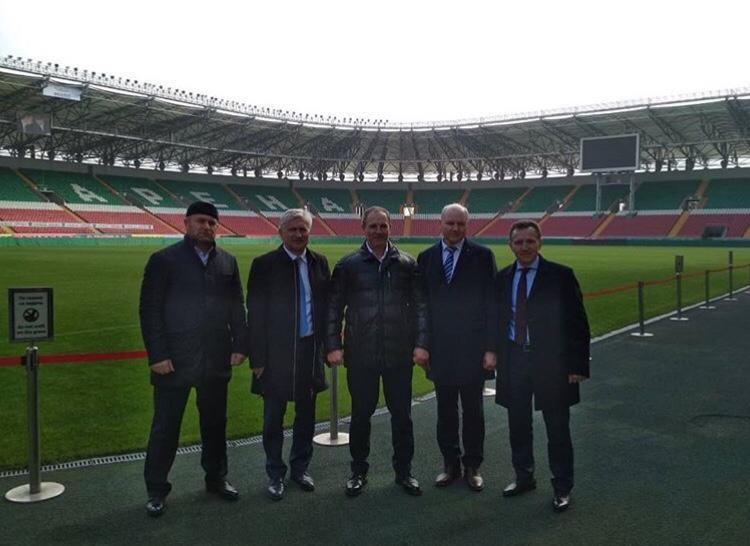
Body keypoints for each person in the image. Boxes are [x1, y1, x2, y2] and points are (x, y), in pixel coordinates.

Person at [139, 201, 247, 517]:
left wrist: (240, 344)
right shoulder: (164, 260)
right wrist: (158, 354)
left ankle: (216, 478)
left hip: (215, 357)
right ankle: (156, 489)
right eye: (201, 221)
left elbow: (236, 306)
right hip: (174, 359)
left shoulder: (227, 261)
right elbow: (149, 310)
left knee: (215, 424)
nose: (207, 227)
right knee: (165, 426)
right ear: (186, 222)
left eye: (212, 223)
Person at [326, 206, 429, 497]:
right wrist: (333, 345)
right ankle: (358, 471)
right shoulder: (348, 265)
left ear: (390, 227)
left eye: (383, 226)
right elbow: (334, 308)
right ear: (364, 228)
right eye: (373, 226)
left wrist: (421, 343)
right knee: (361, 415)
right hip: (361, 354)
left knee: (402, 416)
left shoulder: (406, 264)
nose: (378, 231)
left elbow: (421, 307)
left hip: (399, 353)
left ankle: (404, 472)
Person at [493, 220, 590, 512]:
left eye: (529, 241)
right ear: (510, 245)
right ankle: (524, 476)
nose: (524, 247)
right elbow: (496, 321)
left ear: (540, 242)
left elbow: (578, 323)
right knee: (518, 424)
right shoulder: (503, 278)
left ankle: (562, 486)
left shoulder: (561, 276)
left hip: (552, 362)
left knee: (557, 427)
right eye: (518, 242)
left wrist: (577, 365)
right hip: (515, 359)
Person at [246, 208, 330, 501]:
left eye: (302, 229)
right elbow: (255, 315)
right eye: (292, 229)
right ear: (280, 232)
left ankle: (300, 468)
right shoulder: (264, 265)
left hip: (309, 351)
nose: (298, 234)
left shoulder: (319, 263)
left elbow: (326, 309)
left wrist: (327, 347)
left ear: (309, 232)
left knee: (306, 416)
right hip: (275, 354)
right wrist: (257, 359)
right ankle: (275, 473)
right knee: (273, 418)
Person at [416, 203, 497, 492]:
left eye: (460, 224)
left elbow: (492, 305)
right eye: (450, 223)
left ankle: (472, 465)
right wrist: (422, 345)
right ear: (440, 223)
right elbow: (421, 306)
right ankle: (450, 464)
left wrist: (491, 348)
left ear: (467, 225)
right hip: (440, 349)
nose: (455, 228)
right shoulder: (426, 258)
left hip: (473, 349)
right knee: (445, 411)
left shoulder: (483, 256)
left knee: (474, 411)